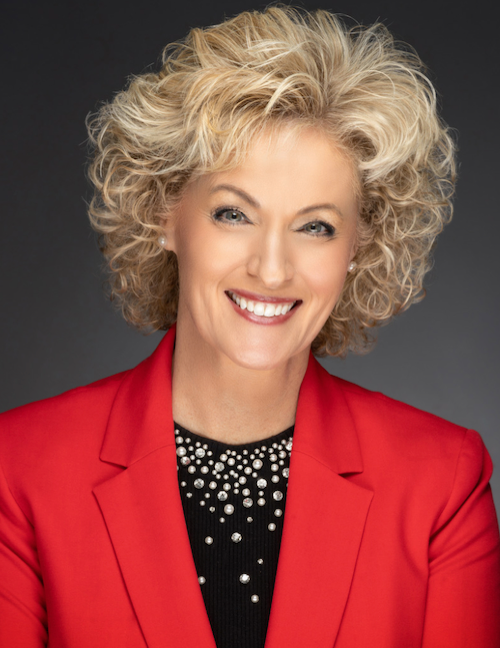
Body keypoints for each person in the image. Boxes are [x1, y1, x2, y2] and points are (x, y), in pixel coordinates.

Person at [0, 5, 499, 647]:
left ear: (359, 246)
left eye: (316, 226)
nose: (271, 268)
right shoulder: (19, 468)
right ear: (163, 213)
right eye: (234, 214)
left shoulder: (442, 484)